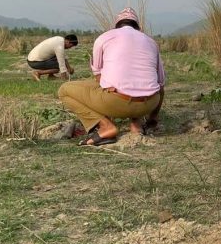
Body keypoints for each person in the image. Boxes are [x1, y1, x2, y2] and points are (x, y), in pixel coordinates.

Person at [58, 8, 165, 146]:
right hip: (149, 104)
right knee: (140, 83)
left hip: (116, 103)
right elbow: (161, 84)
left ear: (116, 26)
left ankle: (105, 126)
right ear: (139, 27)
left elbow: (98, 77)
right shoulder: (151, 42)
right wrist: (153, 119)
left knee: (64, 90)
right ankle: (136, 124)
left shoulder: (105, 37)